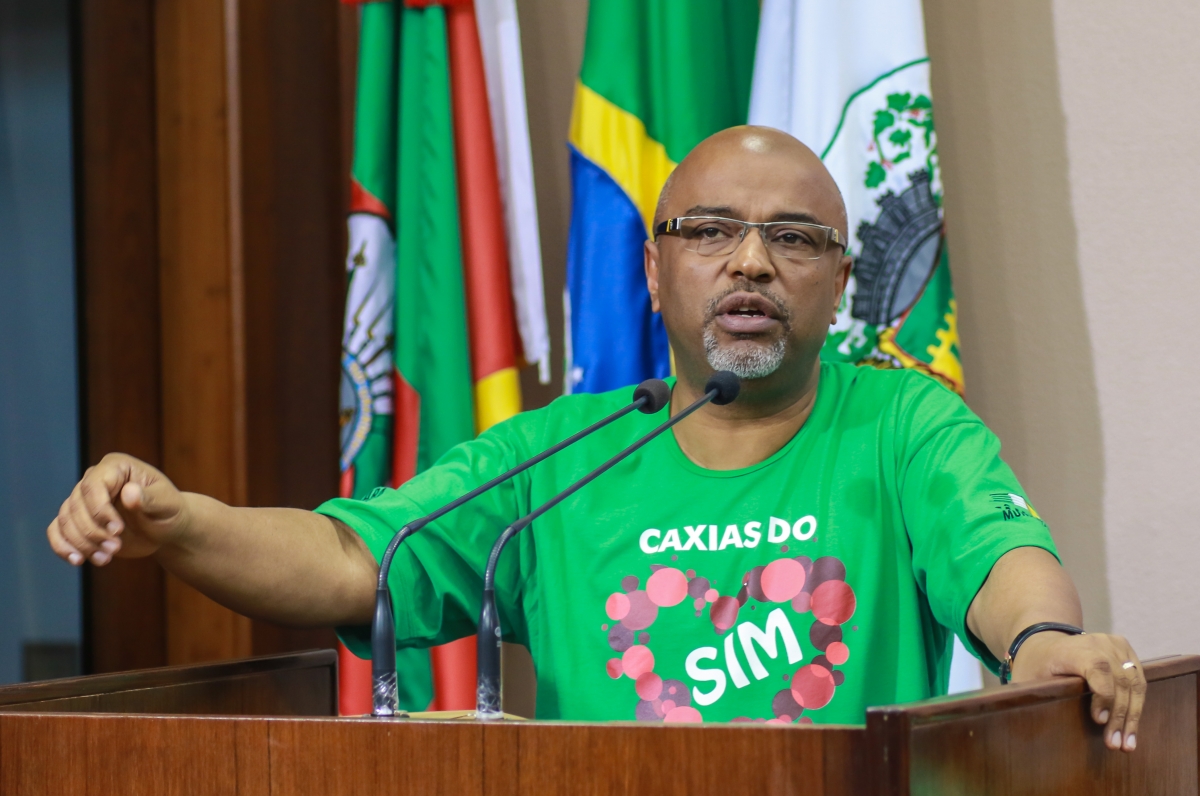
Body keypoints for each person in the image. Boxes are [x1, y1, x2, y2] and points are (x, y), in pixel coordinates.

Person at [47, 126, 1144, 746]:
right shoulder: (564, 455)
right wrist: (183, 522)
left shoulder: (902, 421)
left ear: (840, 280)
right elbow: (353, 559)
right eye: (711, 231)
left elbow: (998, 558)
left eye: (793, 238)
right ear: (655, 269)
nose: (751, 262)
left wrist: (1043, 644)